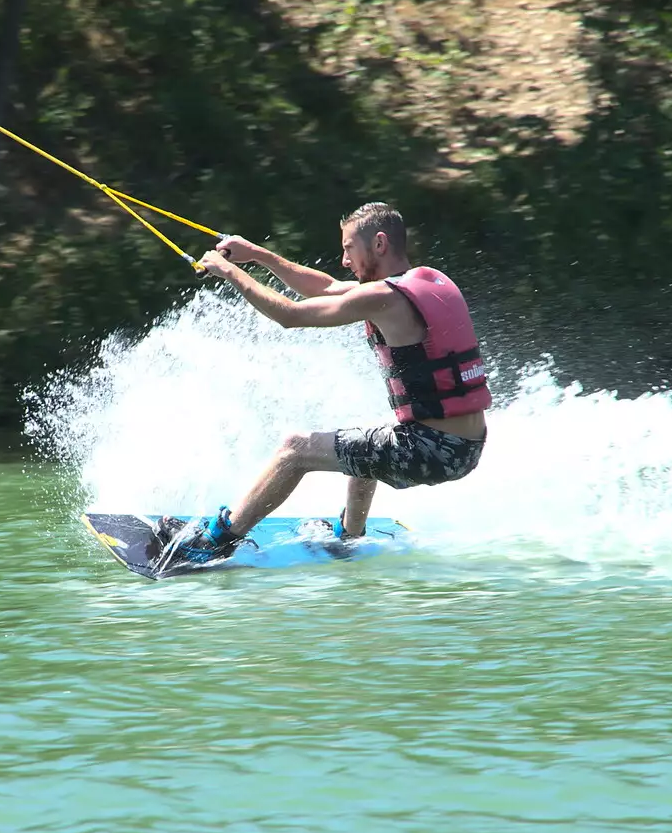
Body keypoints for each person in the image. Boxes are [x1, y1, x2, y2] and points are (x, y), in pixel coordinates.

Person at [170, 202, 492, 563]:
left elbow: (289, 315)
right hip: (466, 445)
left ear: (379, 244)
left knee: (295, 450)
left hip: (434, 450)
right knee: (363, 444)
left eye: (348, 248)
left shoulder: (384, 298)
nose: (344, 260)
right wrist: (258, 255)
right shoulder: (424, 281)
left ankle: (216, 540)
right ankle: (349, 536)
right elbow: (324, 287)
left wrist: (229, 271)